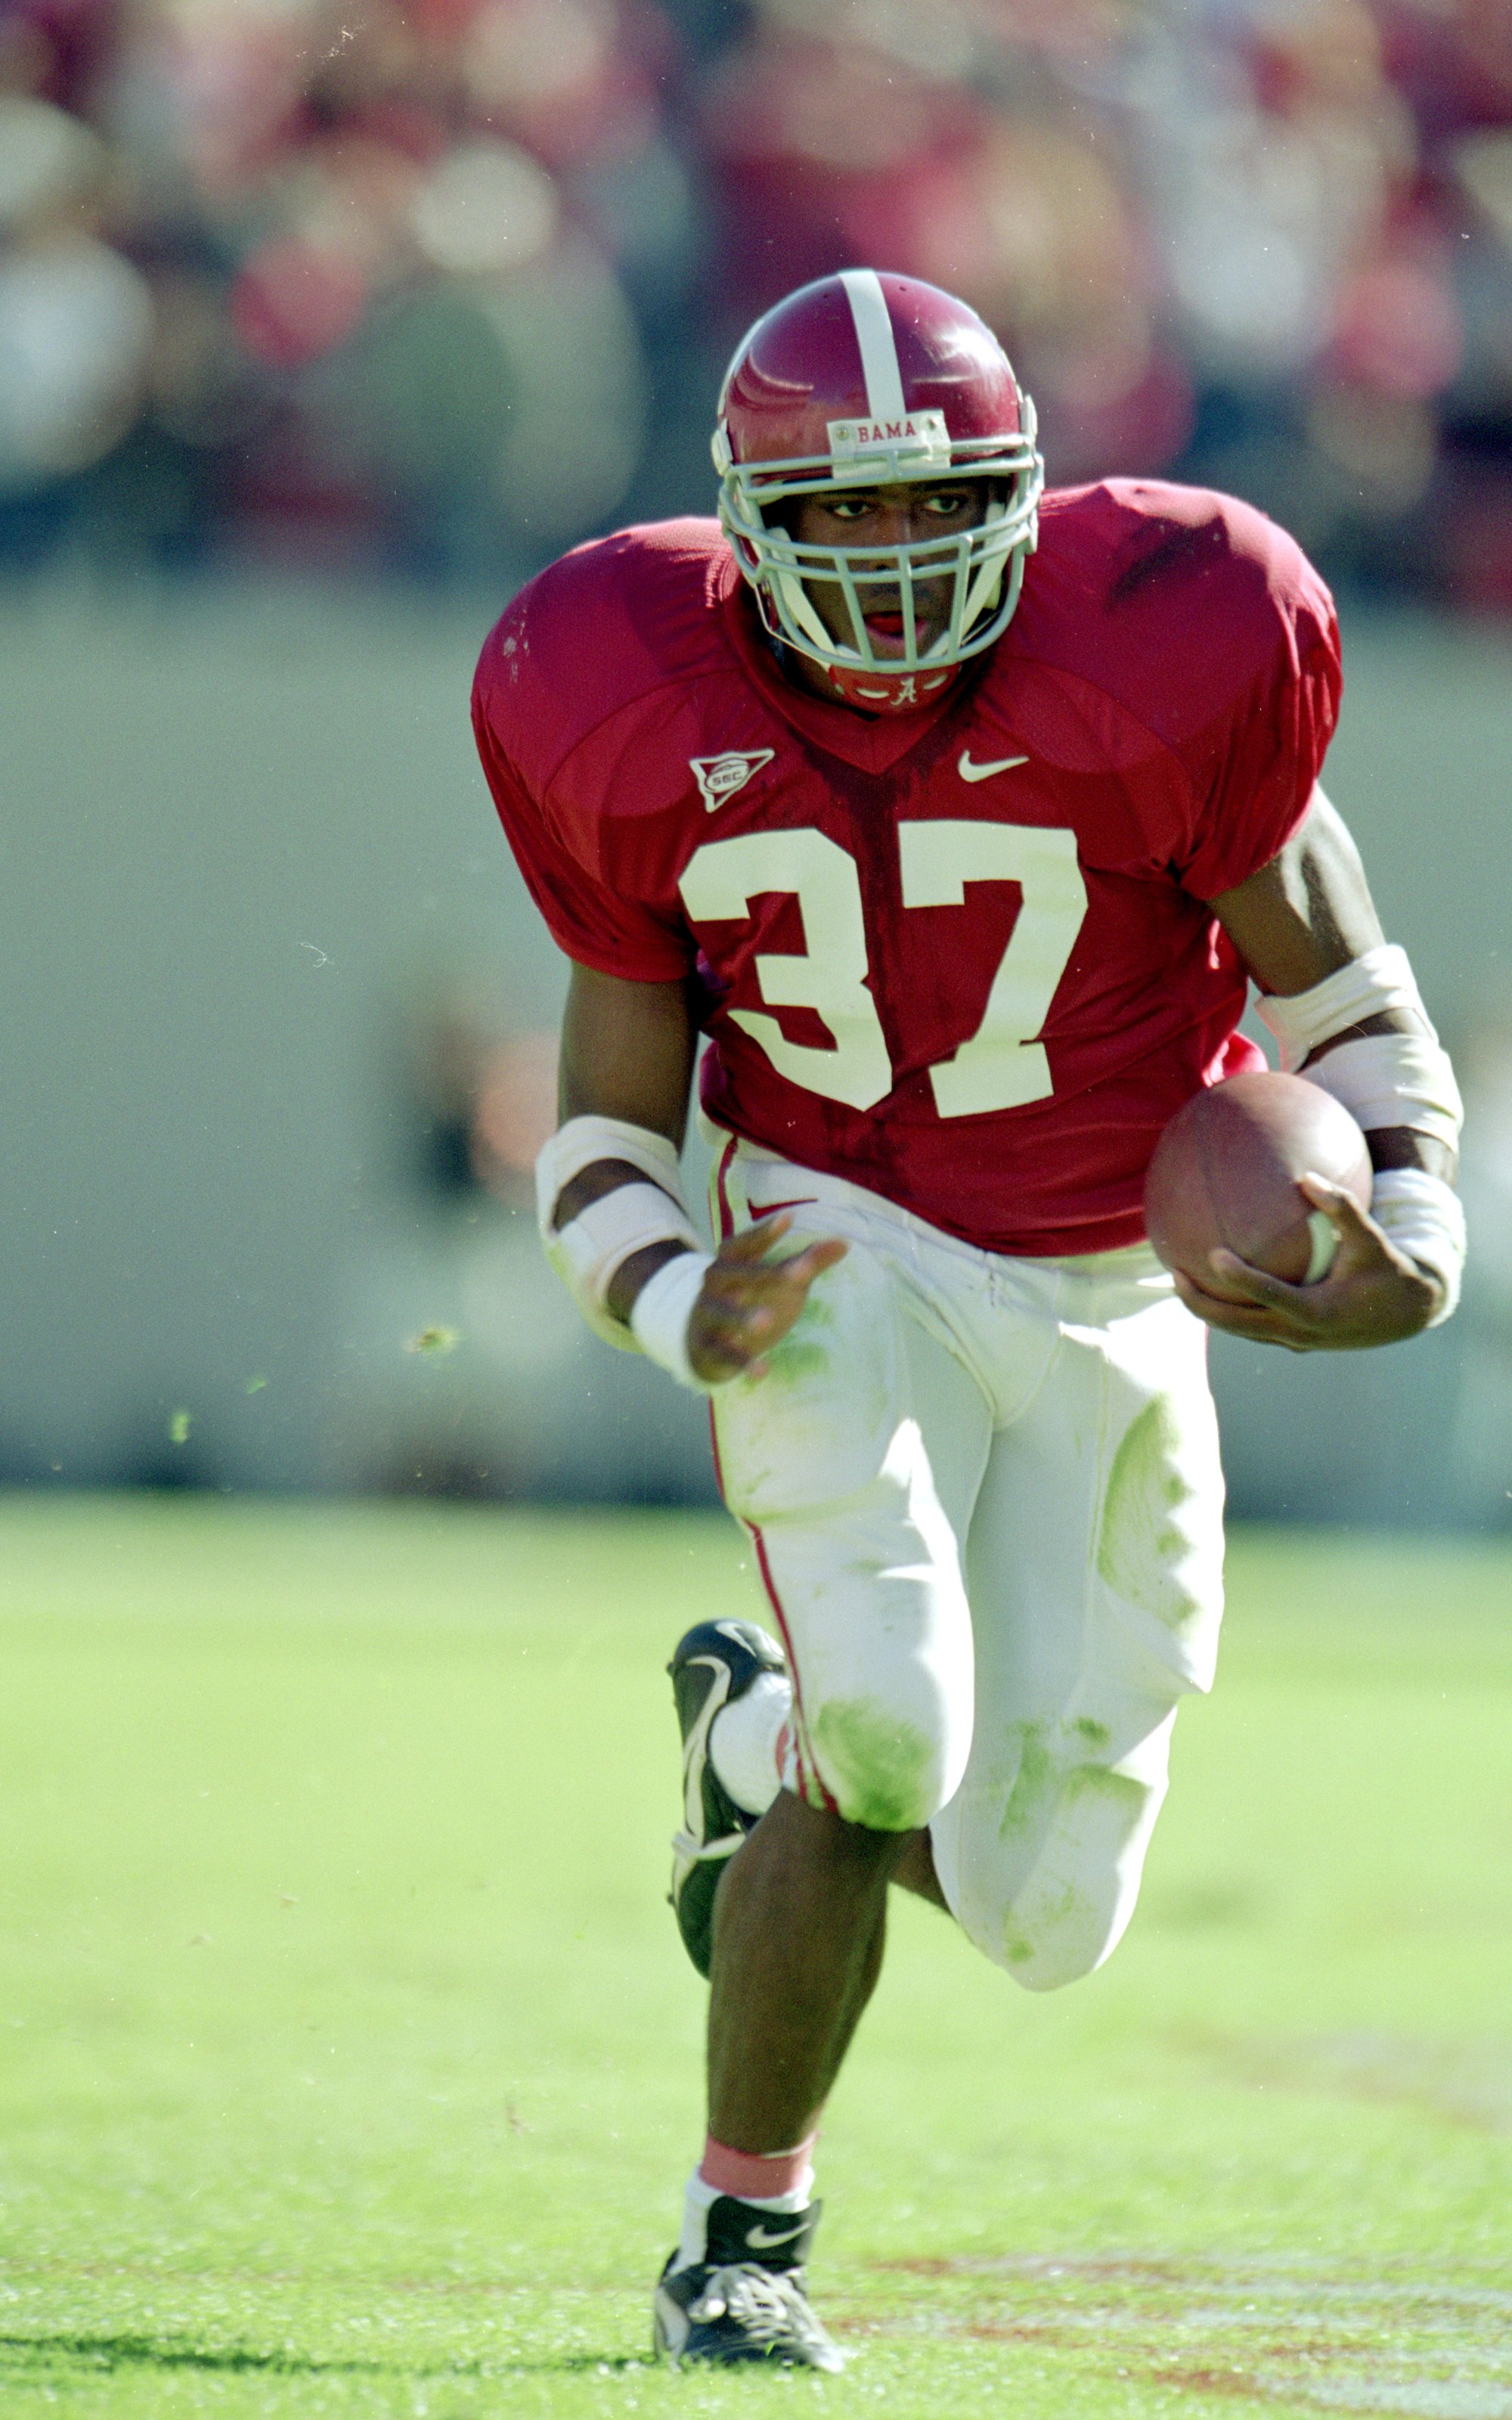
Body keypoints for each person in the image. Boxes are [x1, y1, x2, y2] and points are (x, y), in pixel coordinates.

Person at [471, 269, 1465, 2370]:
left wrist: (1411, 1221)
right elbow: (606, 1133)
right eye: (839, 513)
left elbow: (1347, 997)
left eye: (938, 504)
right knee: (894, 1727)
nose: (896, 556)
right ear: (746, 523)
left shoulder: (1180, 634)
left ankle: (746, 1737)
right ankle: (738, 2242)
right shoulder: (615, 683)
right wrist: (682, 1296)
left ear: (1023, 494)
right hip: (839, 1238)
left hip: (1118, 1272)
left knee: (1043, 1915)